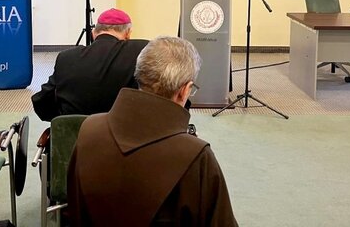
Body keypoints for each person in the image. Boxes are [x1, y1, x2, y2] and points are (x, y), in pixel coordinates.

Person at [68, 36, 238, 227]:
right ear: (185, 90)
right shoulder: (196, 156)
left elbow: (73, 211)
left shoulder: (89, 130)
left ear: (140, 75)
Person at [32, 8, 148, 122]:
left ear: (93, 33)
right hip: (123, 131)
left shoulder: (66, 57)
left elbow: (42, 100)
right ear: (127, 34)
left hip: (74, 133)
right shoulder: (142, 51)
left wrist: (63, 118)